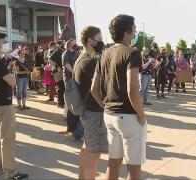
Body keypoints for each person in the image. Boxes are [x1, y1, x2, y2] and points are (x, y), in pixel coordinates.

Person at [91, 14, 147, 180]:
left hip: (109, 114)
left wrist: (106, 106)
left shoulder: (104, 54)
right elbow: (132, 90)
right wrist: (142, 115)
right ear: (127, 33)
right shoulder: (132, 53)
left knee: (113, 162)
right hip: (129, 116)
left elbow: (94, 89)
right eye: (134, 29)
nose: (135, 32)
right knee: (134, 167)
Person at [0, 31, 29, 180]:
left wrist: (8, 60)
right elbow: (12, 81)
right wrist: (11, 69)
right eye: (5, 42)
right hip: (3, 103)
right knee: (7, 138)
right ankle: (11, 171)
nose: (7, 46)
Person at [75, 26, 107, 180]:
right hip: (94, 112)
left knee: (87, 149)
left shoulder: (80, 59)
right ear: (90, 40)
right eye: (99, 39)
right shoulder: (90, 62)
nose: (102, 42)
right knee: (93, 155)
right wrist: (105, 106)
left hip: (86, 111)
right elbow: (99, 89)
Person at [62, 39, 81, 138]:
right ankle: (68, 118)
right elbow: (67, 64)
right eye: (73, 43)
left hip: (75, 78)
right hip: (69, 78)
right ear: (69, 44)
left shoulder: (76, 53)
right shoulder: (66, 53)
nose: (75, 44)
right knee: (70, 97)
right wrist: (74, 71)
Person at [49, 41, 65, 108]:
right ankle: (60, 102)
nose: (63, 45)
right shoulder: (57, 52)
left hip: (62, 70)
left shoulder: (63, 51)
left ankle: (62, 102)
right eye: (62, 44)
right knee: (60, 86)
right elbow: (50, 60)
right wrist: (57, 67)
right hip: (58, 72)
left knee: (62, 87)